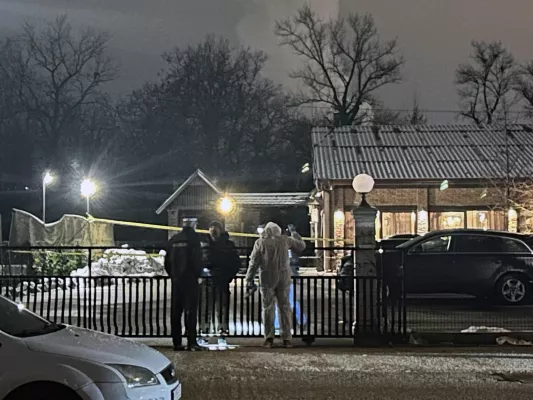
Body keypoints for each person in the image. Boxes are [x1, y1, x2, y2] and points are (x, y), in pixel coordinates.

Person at [245, 222, 306, 348]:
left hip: (267, 278)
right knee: (285, 307)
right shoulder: (285, 241)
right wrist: (294, 232)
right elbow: (301, 245)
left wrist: (249, 278)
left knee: (268, 308)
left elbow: (254, 262)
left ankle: (269, 337)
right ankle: (287, 338)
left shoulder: (261, 243)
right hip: (284, 277)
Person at [164, 218, 205, 351]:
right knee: (191, 311)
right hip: (190, 279)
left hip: (177, 280)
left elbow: (167, 261)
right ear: (193, 225)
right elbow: (197, 259)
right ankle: (191, 341)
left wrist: (173, 274)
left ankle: (177, 342)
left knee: (176, 311)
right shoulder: (194, 239)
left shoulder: (174, 239)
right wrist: (198, 274)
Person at [199, 221, 241, 347]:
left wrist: (228, 277)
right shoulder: (204, 244)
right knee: (206, 309)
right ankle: (204, 333)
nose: (213, 230)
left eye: (215, 228)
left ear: (220, 230)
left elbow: (235, 263)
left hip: (222, 281)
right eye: (211, 227)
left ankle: (222, 334)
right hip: (207, 282)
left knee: (222, 309)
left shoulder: (228, 245)